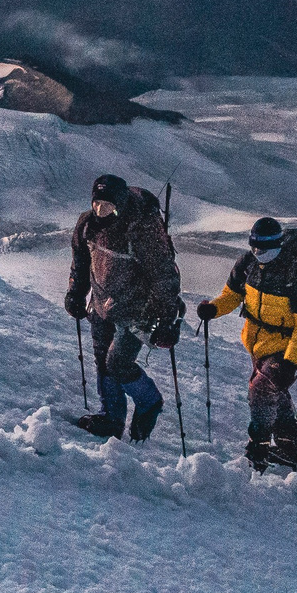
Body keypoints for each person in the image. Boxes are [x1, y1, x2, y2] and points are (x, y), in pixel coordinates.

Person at [196, 217, 297, 471]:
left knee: (261, 390)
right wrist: (213, 309)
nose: (259, 254)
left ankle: (257, 452)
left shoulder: (296, 272)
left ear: (278, 245)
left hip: (285, 345)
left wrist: (291, 362)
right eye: (255, 248)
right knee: (275, 394)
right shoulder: (247, 264)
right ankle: (288, 451)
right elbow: (232, 295)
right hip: (257, 343)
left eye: (264, 249)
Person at [63, 175, 181, 441]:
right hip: (102, 304)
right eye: (97, 206)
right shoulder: (86, 226)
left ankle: (149, 400)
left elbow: (164, 275)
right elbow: (80, 263)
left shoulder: (141, 229)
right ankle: (112, 418)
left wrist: (165, 317)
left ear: (122, 203)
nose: (102, 213)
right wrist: (75, 293)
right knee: (102, 361)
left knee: (117, 363)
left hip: (138, 309)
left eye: (109, 208)